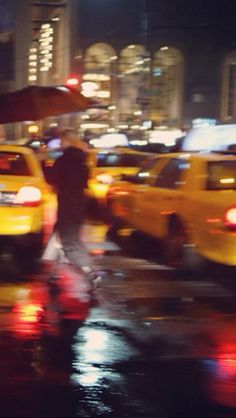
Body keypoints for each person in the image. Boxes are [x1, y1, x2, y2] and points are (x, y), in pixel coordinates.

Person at [42, 127, 101, 290]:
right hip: (79, 207)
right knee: (61, 237)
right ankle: (54, 273)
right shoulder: (83, 161)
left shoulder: (63, 161)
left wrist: (43, 164)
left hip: (67, 206)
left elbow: (52, 179)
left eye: (61, 141)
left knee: (69, 242)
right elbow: (83, 183)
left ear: (67, 141)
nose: (60, 144)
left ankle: (91, 273)